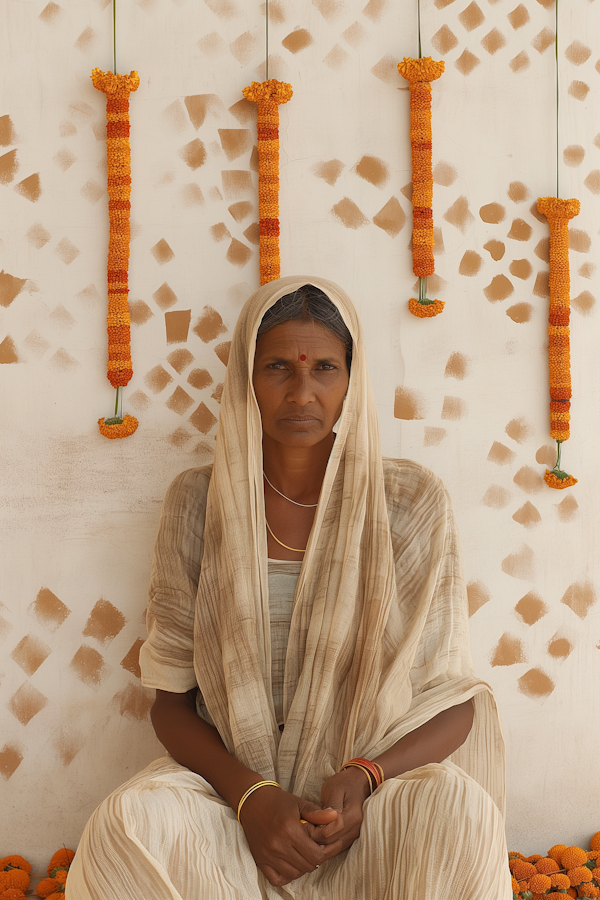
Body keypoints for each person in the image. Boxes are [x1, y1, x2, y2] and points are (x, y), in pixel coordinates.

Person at [67, 276, 511, 900]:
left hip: (363, 806)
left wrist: (364, 775)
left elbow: (452, 701)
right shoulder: (198, 504)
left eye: (325, 368)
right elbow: (170, 705)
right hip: (233, 801)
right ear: (245, 379)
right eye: (277, 366)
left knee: (459, 815)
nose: (302, 391)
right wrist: (253, 798)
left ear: (351, 381)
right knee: (128, 825)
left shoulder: (409, 503)